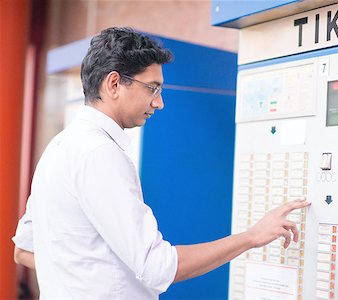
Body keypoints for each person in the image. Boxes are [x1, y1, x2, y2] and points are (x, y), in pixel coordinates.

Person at [12, 27, 311, 299]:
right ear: (114, 83)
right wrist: (252, 237)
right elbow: (159, 268)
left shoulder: (60, 147)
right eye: (152, 88)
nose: (159, 102)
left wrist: (83, 273)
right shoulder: (100, 153)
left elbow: (25, 249)